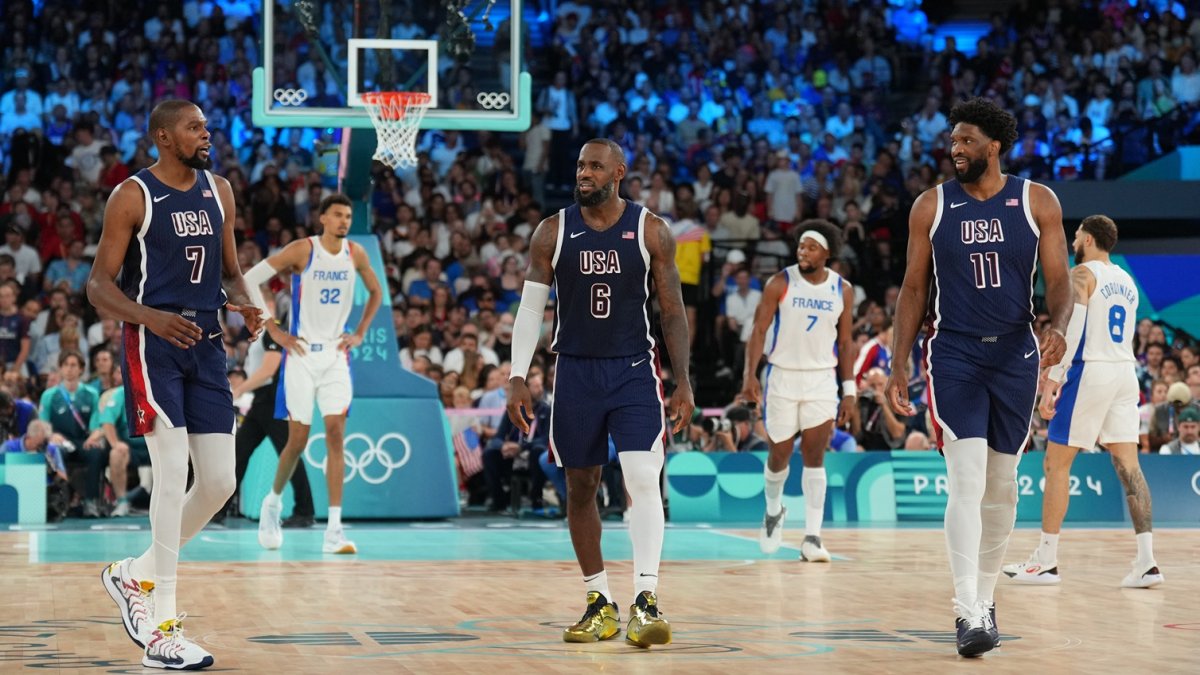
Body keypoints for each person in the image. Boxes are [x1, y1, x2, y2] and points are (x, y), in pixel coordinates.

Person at [885, 98, 1071, 658]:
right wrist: (898, 359)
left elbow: (1060, 280)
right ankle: (966, 607)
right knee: (965, 479)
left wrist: (1057, 325)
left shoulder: (1038, 200)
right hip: (954, 353)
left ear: (993, 144)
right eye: (952, 141)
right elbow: (914, 288)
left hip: (1016, 353)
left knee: (1002, 484)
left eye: (965, 141)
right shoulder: (931, 205)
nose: (954, 149)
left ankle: (986, 599)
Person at [88, 99, 264, 670]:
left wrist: (247, 304)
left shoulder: (220, 190)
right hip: (152, 344)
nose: (205, 134)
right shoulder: (132, 195)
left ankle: (132, 574)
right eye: (194, 127)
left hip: (208, 343)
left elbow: (231, 270)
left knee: (218, 481)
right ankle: (162, 626)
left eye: (205, 126)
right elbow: (98, 286)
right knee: (171, 476)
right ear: (164, 137)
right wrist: (150, 318)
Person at [506, 139, 694, 647]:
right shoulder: (553, 231)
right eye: (580, 166)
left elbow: (673, 310)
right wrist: (516, 374)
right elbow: (530, 310)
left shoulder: (652, 230)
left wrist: (683, 380)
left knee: (641, 475)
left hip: (634, 369)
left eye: (594, 166)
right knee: (582, 486)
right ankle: (599, 602)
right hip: (574, 372)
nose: (583, 173)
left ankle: (647, 598)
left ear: (618, 173)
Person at [1003, 215, 1162, 589]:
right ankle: (1147, 561)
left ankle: (1046, 561)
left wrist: (1051, 383)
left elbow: (1071, 333)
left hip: (1092, 371)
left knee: (1055, 465)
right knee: (1129, 466)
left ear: (1088, 240)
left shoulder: (1081, 276)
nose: (1073, 241)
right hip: (1125, 372)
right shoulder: (1127, 281)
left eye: (1076, 236)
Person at [245, 193, 383, 554]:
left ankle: (334, 529)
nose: (344, 221)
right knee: (298, 441)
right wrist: (272, 330)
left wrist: (362, 331)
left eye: (348, 216)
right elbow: (251, 278)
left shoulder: (357, 254)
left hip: (337, 354)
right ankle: (272, 504)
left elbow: (376, 292)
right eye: (337, 214)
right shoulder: (302, 251)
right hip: (301, 354)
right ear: (322, 218)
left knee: (336, 433)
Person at [741, 219, 856, 562]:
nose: (802, 251)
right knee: (779, 455)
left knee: (815, 457)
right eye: (801, 245)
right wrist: (750, 374)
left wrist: (848, 390)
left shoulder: (842, 289)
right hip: (782, 376)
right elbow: (759, 330)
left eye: (811, 247)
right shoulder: (780, 282)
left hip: (821, 379)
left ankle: (813, 537)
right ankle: (774, 510)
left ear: (827, 253)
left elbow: (847, 341)